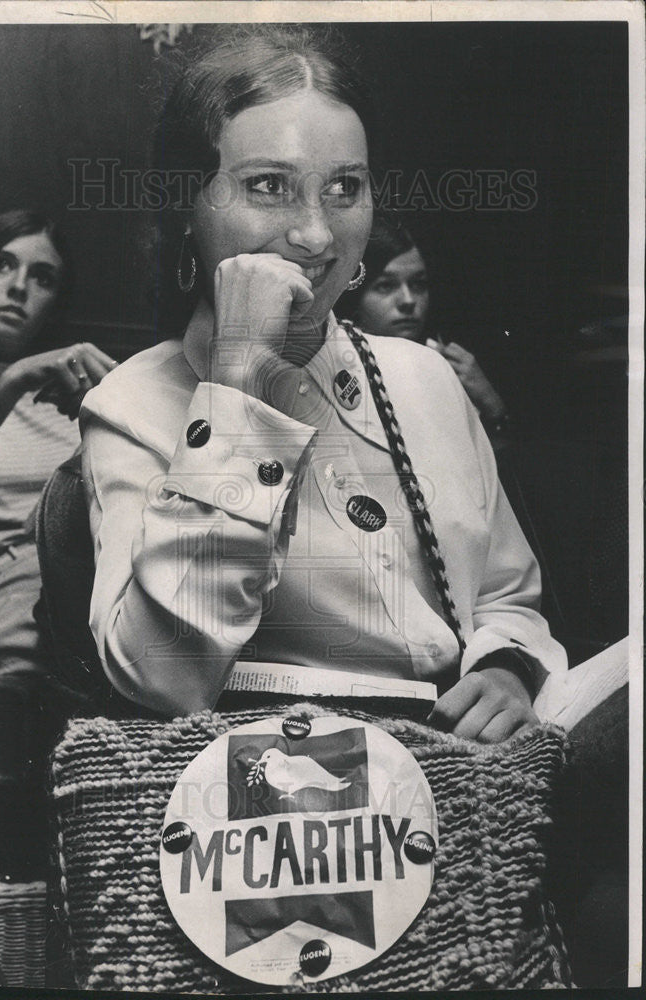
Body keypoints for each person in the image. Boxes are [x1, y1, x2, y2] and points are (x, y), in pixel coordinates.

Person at [79, 24, 568, 741]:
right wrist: (241, 386)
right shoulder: (129, 408)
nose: (315, 235)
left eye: (346, 188)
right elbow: (165, 675)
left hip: (473, 784)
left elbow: (506, 594)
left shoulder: (424, 378)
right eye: (268, 186)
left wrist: (506, 668)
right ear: (185, 206)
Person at [0, 210, 117, 873]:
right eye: (3, 265)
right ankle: (7, 709)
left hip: (74, 565)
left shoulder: (68, 404)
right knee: (30, 575)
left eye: (42, 276)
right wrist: (18, 376)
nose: (19, 286)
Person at [335, 215, 511, 440]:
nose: (408, 300)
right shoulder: (342, 374)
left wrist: (492, 406)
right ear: (355, 295)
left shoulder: (449, 366)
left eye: (418, 284)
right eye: (385, 286)